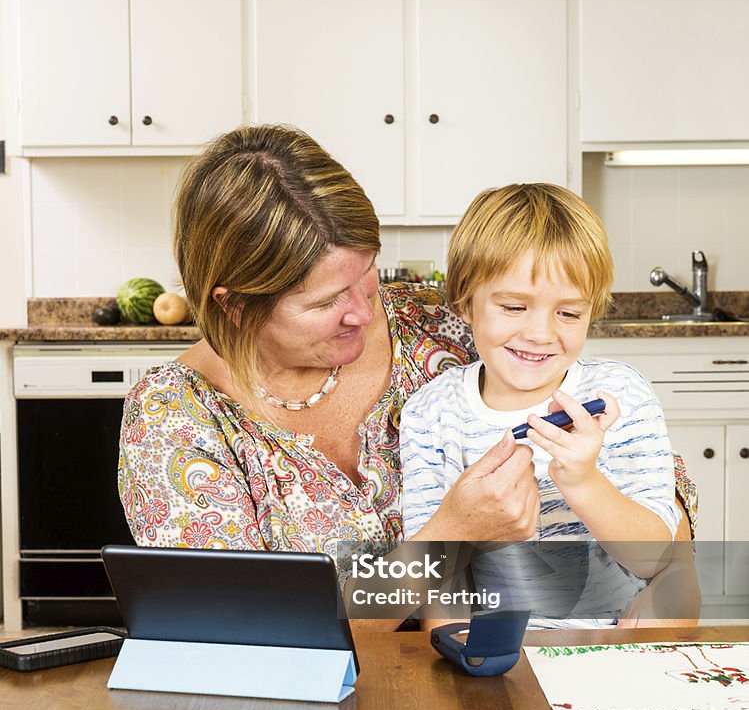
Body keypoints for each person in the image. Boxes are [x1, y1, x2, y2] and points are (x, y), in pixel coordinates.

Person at [118, 125, 697, 629]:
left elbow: (649, 474)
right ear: (235, 306)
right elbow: (244, 625)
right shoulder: (175, 416)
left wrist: (673, 575)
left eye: (367, 277)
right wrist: (449, 535)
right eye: (326, 302)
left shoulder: (438, 320)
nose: (365, 313)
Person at [399, 183, 700, 627]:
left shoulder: (620, 392)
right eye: (514, 306)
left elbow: (656, 559)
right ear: (465, 302)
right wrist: (456, 647)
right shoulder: (430, 413)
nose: (541, 333)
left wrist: (582, 481)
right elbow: (437, 573)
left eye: (569, 314)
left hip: (617, 639)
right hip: (500, 651)